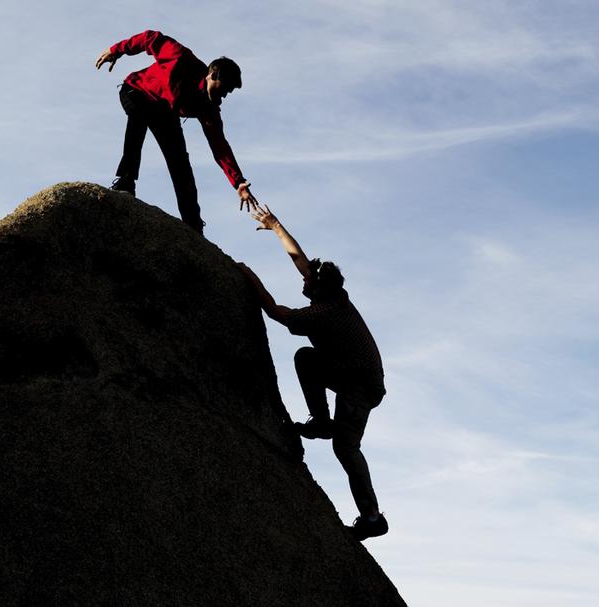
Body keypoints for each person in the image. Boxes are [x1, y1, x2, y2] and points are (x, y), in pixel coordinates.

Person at [238, 205, 389, 541]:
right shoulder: (333, 296)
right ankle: (320, 420)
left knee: (345, 447)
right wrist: (275, 225)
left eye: (309, 281)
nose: (304, 279)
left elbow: (276, 312)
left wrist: (251, 279)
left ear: (320, 290)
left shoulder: (323, 313)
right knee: (307, 358)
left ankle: (372, 517)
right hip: (348, 373)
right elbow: (302, 261)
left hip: (361, 386)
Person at [95, 30, 259, 234]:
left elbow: (220, 147)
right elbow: (150, 38)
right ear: (212, 75)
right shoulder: (181, 58)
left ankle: (193, 224)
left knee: (180, 163)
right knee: (139, 115)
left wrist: (238, 182)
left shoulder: (209, 110)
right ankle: (126, 181)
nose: (225, 95)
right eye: (225, 88)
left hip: (164, 111)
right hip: (136, 91)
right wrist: (116, 50)